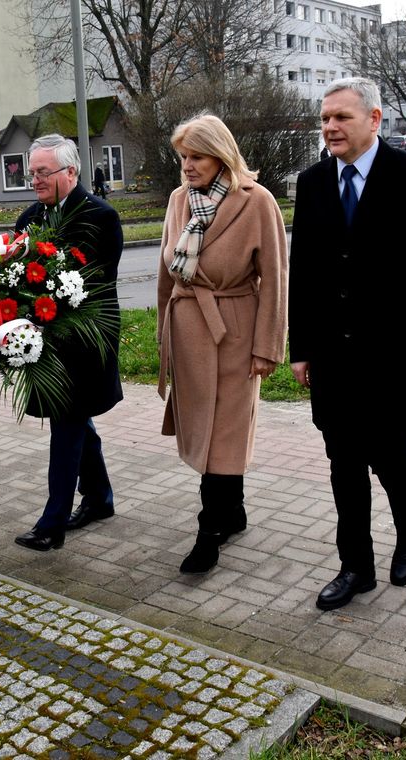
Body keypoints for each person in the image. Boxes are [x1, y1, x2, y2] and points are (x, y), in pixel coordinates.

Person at [288, 77, 406, 611]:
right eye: (325, 119)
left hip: (393, 355)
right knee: (343, 462)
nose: (331, 127)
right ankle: (355, 567)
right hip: (334, 359)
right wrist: (301, 347)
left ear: (375, 120)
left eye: (341, 117)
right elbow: (306, 272)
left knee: (389, 455)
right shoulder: (313, 182)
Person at [156, 113, 288, 575]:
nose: (187, 166)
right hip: (189, 327)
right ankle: (232, 511)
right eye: (182, 157)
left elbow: (274, 278)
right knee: (204, 431)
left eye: (196, 157)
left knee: (224, 433)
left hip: (235, 328)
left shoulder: (257, 202)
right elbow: (164, 272)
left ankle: (208, 533)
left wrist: (268, 345)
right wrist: (162, 337)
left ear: (221, 155)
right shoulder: (178, 201)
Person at [12, 134, 124, 551]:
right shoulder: (30, 218)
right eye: (32, 173)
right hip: (44, 344)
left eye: (43, 172)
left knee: (67, 424)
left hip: (83, 342)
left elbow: (92, 286)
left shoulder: (100, 217)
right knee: (75, 424)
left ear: (70, 172)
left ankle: (52, 522)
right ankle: (98, 499)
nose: (35, 181)